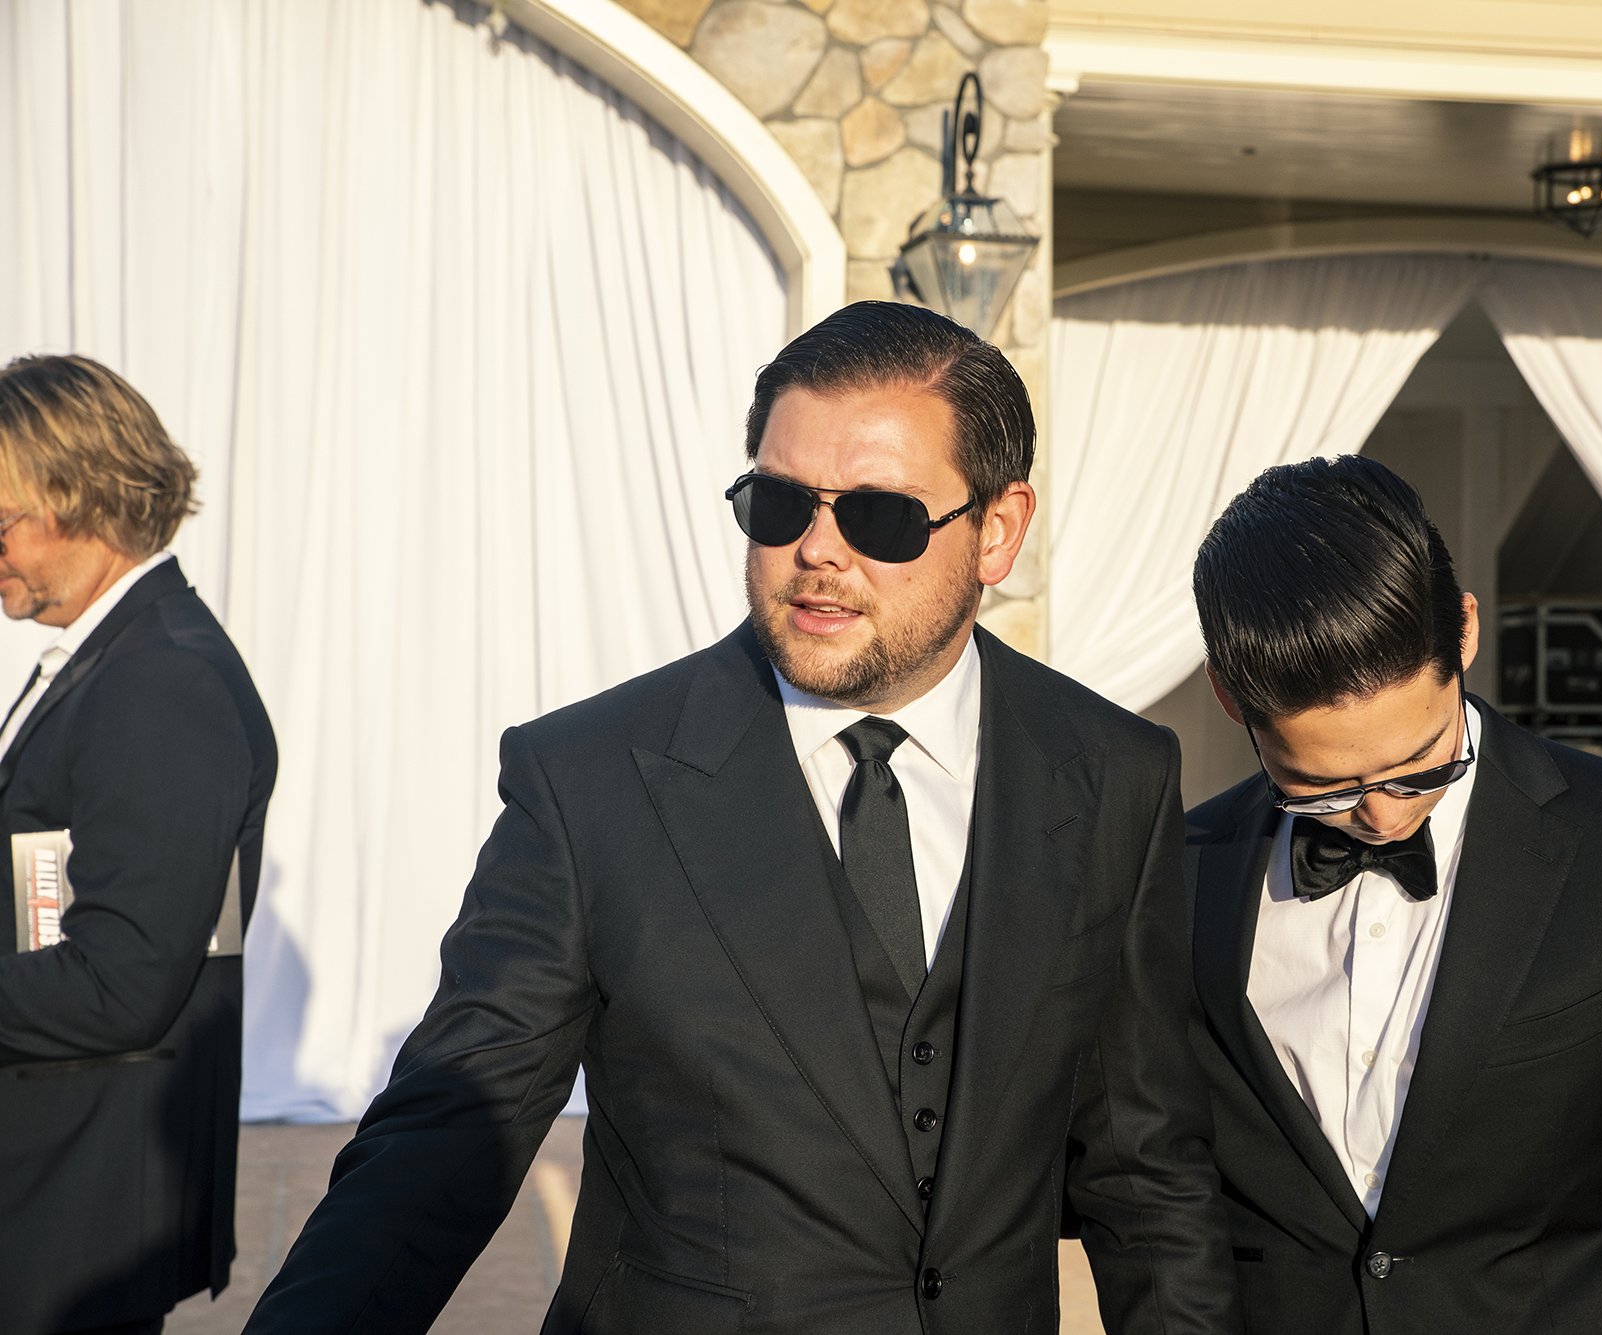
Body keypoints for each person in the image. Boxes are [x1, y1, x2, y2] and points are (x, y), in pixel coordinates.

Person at [246, 302, 1238, 1335]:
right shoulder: (590, 781)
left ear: (997, 530)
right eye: (779, 503)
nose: (816, 550)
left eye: (879, 516)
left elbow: (1146, 1172)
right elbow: (440, 1146)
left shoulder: (1111, 775)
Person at [1184, 455, 1602, 1335]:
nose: (1382, 814)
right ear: (1230, 697)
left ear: (1464, 632)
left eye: (1420, 762)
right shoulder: (1178, 874)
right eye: (1324, 787)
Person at [0, 355, 278, 1335]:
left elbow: (121, 985)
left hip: (79, 1200)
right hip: (65, 1175)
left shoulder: (160, 684)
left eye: (0, 520)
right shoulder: (118, 659)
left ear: (78, 497)